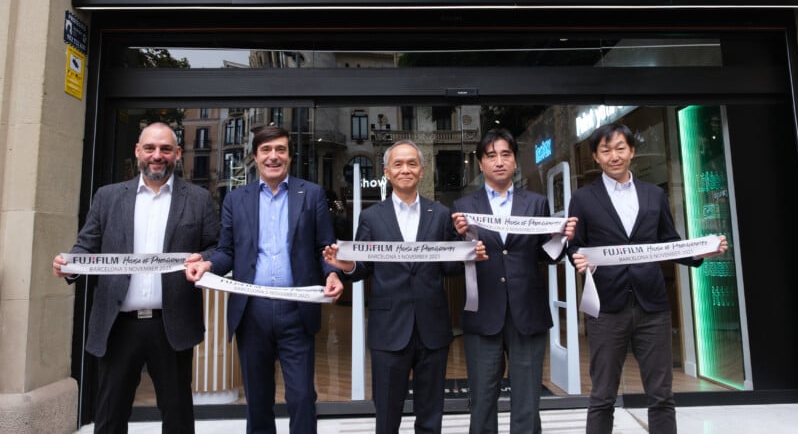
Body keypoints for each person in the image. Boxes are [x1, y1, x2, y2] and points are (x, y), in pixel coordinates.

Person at [52, 122, 220, 434]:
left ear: (178, 153)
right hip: (118, 326)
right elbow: (87, 245)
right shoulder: (108, 197)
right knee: (109, 417)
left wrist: (206, 261)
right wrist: (70, 263)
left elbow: (215, 246)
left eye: (166, 149)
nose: (158, 155)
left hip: (172, 325)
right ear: (138, 151)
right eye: (150, 148)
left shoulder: (197, 198)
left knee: (178, 418)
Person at [568, 122, 727, 434]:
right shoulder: (583, 198)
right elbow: (574, 245)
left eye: (620, 148)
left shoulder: (653, 194)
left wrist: (700, 252)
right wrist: (577, 257)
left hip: (652, 306)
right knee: (602, 395)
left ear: (632, 151)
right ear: (596, 157)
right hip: (606, 307)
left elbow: (668, 241)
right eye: (606, 150)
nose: (614, 156)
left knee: (661, 395)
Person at [184, 125, 344, 434]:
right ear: (255, 157)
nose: (274, 157)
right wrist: (207, 264)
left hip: (297, 310)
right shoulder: (236, 199)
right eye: (266, 150)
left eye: (280, 150)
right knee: (258, 401)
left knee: (301, 397)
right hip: (251, 312)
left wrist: (333, 273)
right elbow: (227, 251)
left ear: (289, 155)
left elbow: (324, 248)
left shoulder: (310, 194)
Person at [323, 140, 484, 434]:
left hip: (432, 328)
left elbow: (448, 267)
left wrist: (466, 253)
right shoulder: (371, 216)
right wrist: (346, 267)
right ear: (386, 171)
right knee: (386, 416)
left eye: (411, 163)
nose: (405, 169)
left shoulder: (440, 213)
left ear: (421, 170)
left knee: (431, 415)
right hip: (388, 330)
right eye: (398, 164)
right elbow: (363, 267)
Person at [451, 128, 576, 434]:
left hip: (528, 313)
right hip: (483, 314)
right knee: (481, 400)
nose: (499, 162)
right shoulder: (462, 209)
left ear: (515, 162)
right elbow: (452, 264)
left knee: (527, 401)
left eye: (505, 154)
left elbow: (546, 256)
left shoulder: (535, 204)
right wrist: (461, 245)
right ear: (480, 164)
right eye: (491, 156)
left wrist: (561, 240)